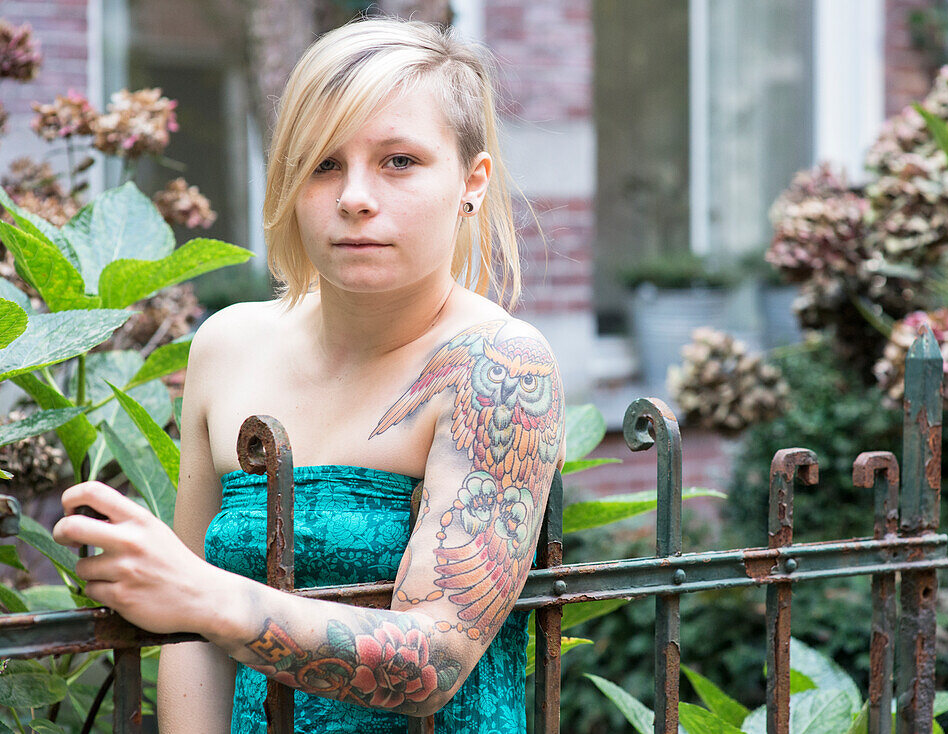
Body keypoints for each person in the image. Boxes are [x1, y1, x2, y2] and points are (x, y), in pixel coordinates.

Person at [52, 16, 565, 734]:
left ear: (471, 183)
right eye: (324, 164)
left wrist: (203, 595)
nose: (354, 196)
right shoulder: (229, 346)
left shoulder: (499, 367)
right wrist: (193, 602)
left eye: (399, 161)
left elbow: (431, 661)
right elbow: (190, 643)